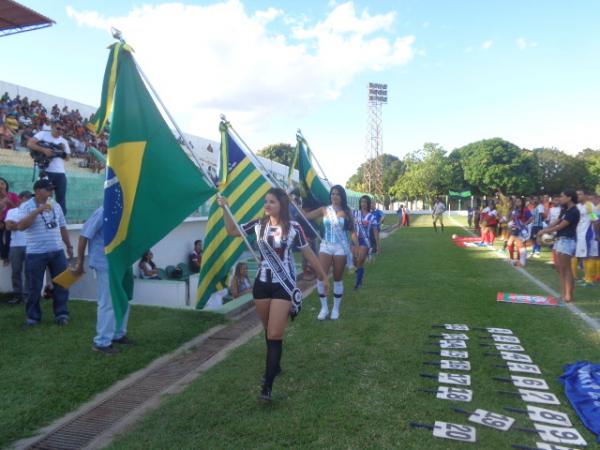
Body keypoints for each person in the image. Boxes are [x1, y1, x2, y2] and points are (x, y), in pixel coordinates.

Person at [218, 187, 328, 402]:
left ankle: (267, 387)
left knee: (275, 334)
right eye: (266, 201)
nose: (267, 205)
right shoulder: (258, 224)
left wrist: (323, 276)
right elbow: (231, 230)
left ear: (282, 205)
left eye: (272, 202)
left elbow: (309, 254)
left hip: (284, 285)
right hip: (262, 285)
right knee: (268, 330)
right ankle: (274, 367)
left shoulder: (294, 227)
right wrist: (225, 207)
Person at [73, 207, 132, 354]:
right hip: (105, 264)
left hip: (123, 263)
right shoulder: (103, 211)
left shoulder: (129, 209)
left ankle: (118, 334)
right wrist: (79, 263)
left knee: (123, 299)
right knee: (108, 302)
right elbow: (84, 236)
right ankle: (102, 342)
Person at [17, 179, 73, 328]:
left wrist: (69, 245)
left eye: (51, 189)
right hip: (36, 253)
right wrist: (38, 210)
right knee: (34, 287)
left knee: (62, 283)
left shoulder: (55, 205)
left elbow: (62, 226)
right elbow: (21, 226)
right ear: (37, 191)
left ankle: (61, 314)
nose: (51, 192)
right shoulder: (26, 206)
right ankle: (33, 317)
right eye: (48, 190)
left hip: (57, 251)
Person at [305, 185, 358, 321]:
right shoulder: (324, 210)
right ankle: (324, 308)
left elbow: (352, 231)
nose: (334, 196)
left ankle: (335, 308)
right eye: (332, 194)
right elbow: (305, 216)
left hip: (341, 247)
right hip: (326, 246)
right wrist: (293, 202)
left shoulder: (347, 211)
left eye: (337, 194)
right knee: (320, 276)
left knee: (337, 277)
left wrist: (356, 247)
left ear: (342, 197)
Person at [537, 190, 580, 302]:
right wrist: (544, 229)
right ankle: (563, 294)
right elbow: (556, 222)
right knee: (561, 269)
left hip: (567, 241)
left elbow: (561, 226)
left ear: (569, 198)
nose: (560, 198)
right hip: (560, 240)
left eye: (562, 196)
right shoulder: (565, 209)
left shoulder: (574, 211)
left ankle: (569, 295)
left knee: (567, 269)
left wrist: (545, 231)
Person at [27, 120, 71, 216]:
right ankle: (40, 217)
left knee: (61, 197)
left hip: (60, 173)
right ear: (52, 127)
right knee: (43, 196)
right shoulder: (43, 134)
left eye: (62, 129)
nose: (60, 131)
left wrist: (61, 152)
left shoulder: (64, 141)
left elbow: (67, 158)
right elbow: (30, 143)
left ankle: (61, 220)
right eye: (58, 128)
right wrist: (44, 150)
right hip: (45, 171)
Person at [4, 191, 32, 304]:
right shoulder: (12, 211)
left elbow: (29, 225)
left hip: (31, 245)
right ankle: (17, 295)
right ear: (20, 199)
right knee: (16, 271)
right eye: (26, 198)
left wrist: (17, 224)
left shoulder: (32, 212)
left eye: (29, 199)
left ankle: (27, 296)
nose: (28, 201)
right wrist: (23, 224)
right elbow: (8, 227)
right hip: (15, 245)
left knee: (29, 272)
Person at [352, 195, 378, 289]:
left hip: (365, 241)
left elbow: (375, 232)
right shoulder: (355, 213)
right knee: (354, 261)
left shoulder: (372, 217)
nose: (363, 204)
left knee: (360, 261)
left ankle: (358, 283)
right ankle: (360, 274)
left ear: (368, 204)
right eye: (362, 202)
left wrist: (378, 245)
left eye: (365, 202)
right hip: (355, 240)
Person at [506, 198, 532, 266]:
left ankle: (519, 260)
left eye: (519, 201)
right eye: (516, 201)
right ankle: (512, 259)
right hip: (515, 229)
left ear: (522, 202)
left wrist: (525, 224)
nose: (517, 202)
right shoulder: (515, 210)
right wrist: (511, 223)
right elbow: (512, 218)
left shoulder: (525, 209)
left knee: (519, 245)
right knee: (509, 244)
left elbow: (531, 218)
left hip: (521, 230)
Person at [0, 176, 19, 264]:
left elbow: (19, 208)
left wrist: (9, 201)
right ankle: (3, 256)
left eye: (2, 183)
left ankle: (6, 256)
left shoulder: (13, 195)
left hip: (11, 221)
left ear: (6, 185)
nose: (0, 186)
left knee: (9, 238)